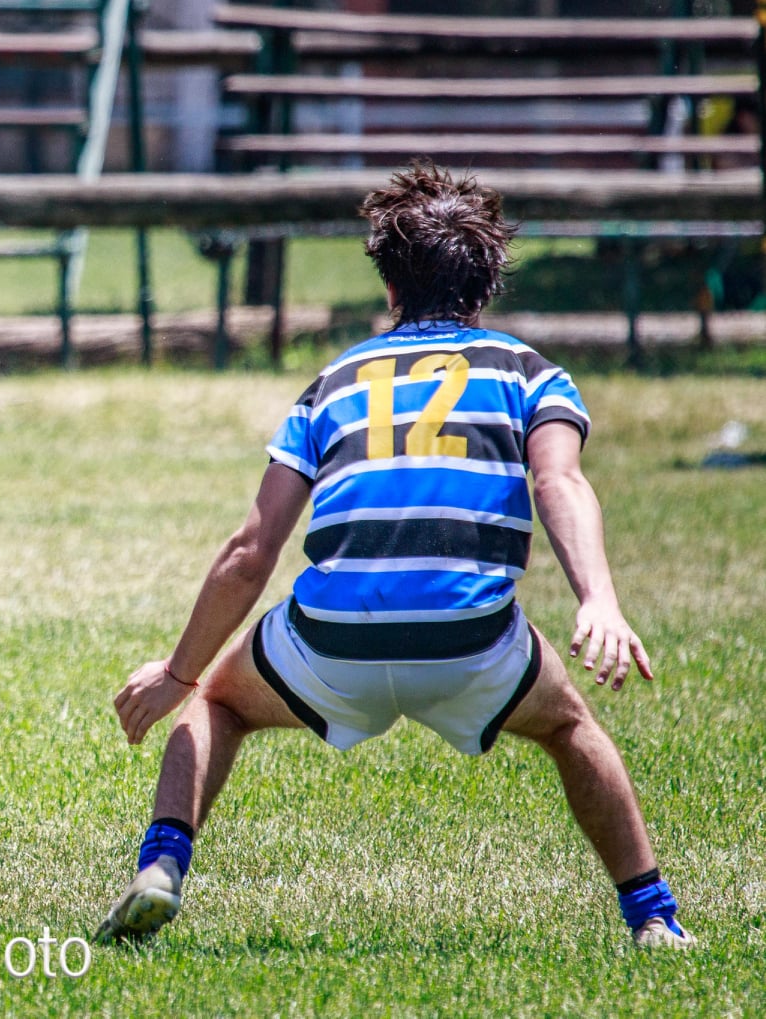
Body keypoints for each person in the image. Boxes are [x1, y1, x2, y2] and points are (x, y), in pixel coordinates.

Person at [94, 162, 692, 949]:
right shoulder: (526, 371)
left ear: (390, 286)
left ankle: (163, 865)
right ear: (485, 287)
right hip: (470, 639)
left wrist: (178, 674)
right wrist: (598, 598)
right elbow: (560, 481)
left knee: (217, 702)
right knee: (570, 727)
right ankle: (652, 916)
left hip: (330, 636)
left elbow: (251, 549)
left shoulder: (335, 380)